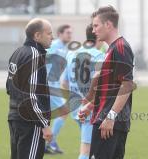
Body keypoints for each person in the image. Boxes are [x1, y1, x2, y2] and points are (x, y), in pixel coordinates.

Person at [78, 6, 135, 159]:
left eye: (96, 25)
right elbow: (111, 87)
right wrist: (91, 106)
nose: (93, 30)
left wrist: (110, 116)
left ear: (108, 25)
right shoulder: (111, 49)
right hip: (104, 119)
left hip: (109, 123)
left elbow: (127, 85)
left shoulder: (120, 47)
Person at [6, 18, 53, 159]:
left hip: (15, 118)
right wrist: (44, 124)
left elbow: (9, 87)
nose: (52, 37)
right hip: (30, 122)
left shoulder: (17, 53)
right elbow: (30, 94)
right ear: (37, 35)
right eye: (49, 33)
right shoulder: (34, 54)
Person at [61, 24, 105, 159]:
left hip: (75, 106)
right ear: (98, 36)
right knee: (86, 151)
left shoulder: (70, 53)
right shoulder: (100, 56)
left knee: (93, 150)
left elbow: (64, 82)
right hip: (91, 108)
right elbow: (102, 86)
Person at [45, 24, 73, 154]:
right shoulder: (54, 45)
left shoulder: (63, 47)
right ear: (60, 33)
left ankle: (48, 142)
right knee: (64, 110)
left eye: (70, 33)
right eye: (67, 33)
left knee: (51, 114)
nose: (70, 35)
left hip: (54, 84)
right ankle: (49, 142)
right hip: (49, 85)